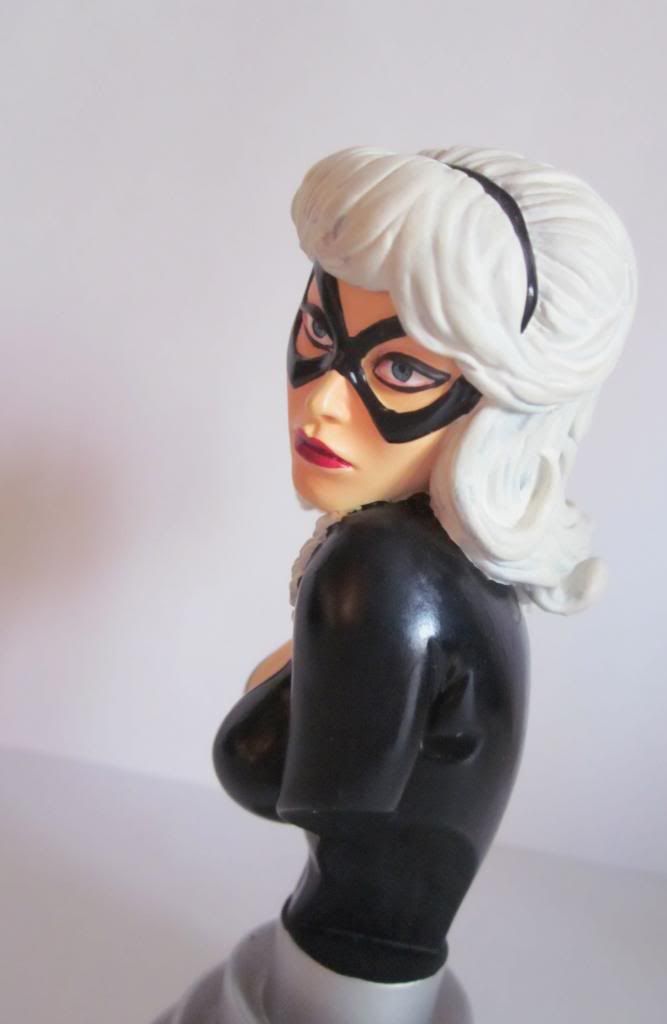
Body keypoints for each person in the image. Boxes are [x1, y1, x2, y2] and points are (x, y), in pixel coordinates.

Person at [160, 146, 636, 1024]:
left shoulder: (378, 572)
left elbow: (281, 779)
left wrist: (288, 681)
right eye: (318, 333)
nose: (323, 400)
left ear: (497, 407)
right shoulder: (437, 566)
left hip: (344, 970)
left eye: (402, 370)